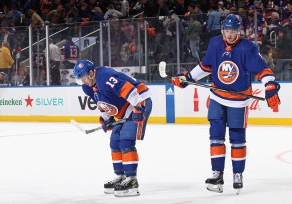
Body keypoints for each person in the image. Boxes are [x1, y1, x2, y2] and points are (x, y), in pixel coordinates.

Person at [171, 14, 281, 194]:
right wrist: (188, 78)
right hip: (217, 97)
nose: (229, 35)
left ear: (239, 31)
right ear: (223, 30)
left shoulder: (248, 47)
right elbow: (206, 66)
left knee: (237, 138)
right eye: (227, 30)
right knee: (215, 136)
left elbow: (262, 70)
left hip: (238, 101)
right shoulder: (215, 43)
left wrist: (269, 84)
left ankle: (238, 174)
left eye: (233, 31)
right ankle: (217, 174)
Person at [73, 59, 152, 197]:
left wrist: (138, 108)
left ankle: (132, 180)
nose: (83, 81)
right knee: (115, 141)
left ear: (91, 73)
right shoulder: (88, 87)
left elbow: (129, 90)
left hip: (138, 99)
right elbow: (101, 102)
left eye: (84, 77)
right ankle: (120, 176)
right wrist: (107, 119)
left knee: (126, 140)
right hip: (124, 106)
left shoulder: (104, 76)